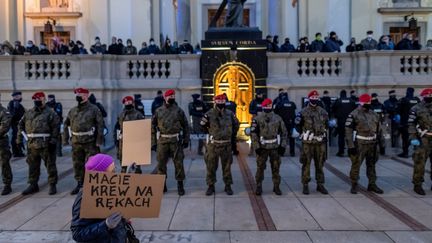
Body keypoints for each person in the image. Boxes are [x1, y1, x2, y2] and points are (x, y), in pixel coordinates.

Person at [71, 153, 127, 242]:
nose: (115, 174)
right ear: (100, 175)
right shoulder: (84, 198)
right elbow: (77, 233)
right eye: (112, 171)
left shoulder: (110, 189)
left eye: (115, 170)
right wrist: (106, 225)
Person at [64, 87, 104, 195]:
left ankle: (94, 185)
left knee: (93, 164)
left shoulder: (94, 109)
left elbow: (100, 124)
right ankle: (80, 183)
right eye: (77, 94)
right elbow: (66, 123)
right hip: (76, 142)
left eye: (79, 94)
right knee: (77, 164)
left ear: (86, 95)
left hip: (90, 142)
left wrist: (99, 139)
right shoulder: (73, 110)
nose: (77, 96)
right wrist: (65, 139)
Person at [18, 92, 60, 195]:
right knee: (32, 166)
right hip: (32, 145)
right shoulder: (28, 113)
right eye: (35, 99)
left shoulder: (50, 112)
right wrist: (19, 139)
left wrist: (53, 141)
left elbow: (56, 127)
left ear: (44, 99)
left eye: (39, 99)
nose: (37, 101)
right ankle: (33, 184)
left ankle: (52, 184)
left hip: (46, 144)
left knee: (50, 165)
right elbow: (20, 125)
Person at [151, 89, 189, 195]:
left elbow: (186, 125)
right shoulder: (158, 111)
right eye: (169, 96)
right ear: (165, 97)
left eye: (173, 96)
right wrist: (153, 142)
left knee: (179, 163)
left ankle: (180, 185)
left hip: (175, 141)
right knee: (161, 164)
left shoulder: (179, 111)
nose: (171, 98)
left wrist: (186, 139)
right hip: (162, 141)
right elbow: (152, 127)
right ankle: (163, 185)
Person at [201, 94, 239, 196]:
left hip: (226, 145)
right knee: (211, 166)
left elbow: (236, 125)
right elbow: (203, 125)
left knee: (227, 167)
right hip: (213, 145)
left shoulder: (230, 114)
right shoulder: (209, 114)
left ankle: (228, 186)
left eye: (223, 101)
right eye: (219, 101)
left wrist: (231, 135)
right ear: (215, 102)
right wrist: (211, 133)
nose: (221, 103)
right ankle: (210, 186)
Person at [345, 93, 384, 194]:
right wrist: (350, 146)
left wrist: (382, 142)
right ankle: (354, 184)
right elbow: (348, 130)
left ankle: (372, 184)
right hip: (360, 144)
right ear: (361, 102)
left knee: (371, 165)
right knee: (356, 165)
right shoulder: (354, 114)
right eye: (366, 102)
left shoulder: (374, 114)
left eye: (369, 102)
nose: (368, 104)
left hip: (372, 143)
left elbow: (379, 129)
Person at [295, 90, 329, 195]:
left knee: (320, 164)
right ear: (309, 99)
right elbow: (297, 125)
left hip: (320, 142)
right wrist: (304, 134)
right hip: (308, 143)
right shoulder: (303, 112)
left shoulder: (323, 112)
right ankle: (305, 185)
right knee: (306, 163)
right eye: (312, 98)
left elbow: (326, 125)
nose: (314, 100)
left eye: (316, 98)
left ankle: (320, 184)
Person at [251, 98, 287, 195]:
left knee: (276, 168)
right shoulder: (257, 119)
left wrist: (283, 146)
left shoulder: (278, 118)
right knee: (260, 168)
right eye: (266, 106)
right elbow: (254, 134)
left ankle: (276, 186)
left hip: (275, 147)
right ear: (263, 107)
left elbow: (284, 132)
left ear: (272, 106)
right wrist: (256, 146)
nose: (268, 108)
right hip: (262, 148)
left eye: (269, 106)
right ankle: (258, 186)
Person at [408, 88, 432, 195]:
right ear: (423, 96)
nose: (430, 97)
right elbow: (411, 124)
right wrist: (413, 138)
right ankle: (417, 184)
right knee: (420, 162)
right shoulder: (416, 108)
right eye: (428, 95)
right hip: (423, 138)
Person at [114, 96, 145, 173]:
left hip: (135, 141)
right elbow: (117, 128)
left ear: (133, 103)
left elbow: (143, 127)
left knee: (137, 163)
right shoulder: (121, 115)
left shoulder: (138, 114)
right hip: (124, 142)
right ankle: (125, 180)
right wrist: (116, 140)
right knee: (124, 163)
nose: (128, 103)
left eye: (130, 102)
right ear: (124, 103)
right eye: (126, 102)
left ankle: (137, 179)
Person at [397, 87, 420, 158]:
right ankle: (417, 151)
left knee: (405, 138)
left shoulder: (403, 100)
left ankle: (405, 153)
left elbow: (398, 111)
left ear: (407, 92)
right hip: (416, 122)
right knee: (415, 137)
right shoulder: (417, 100)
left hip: (406, 123)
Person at [332, 90, 356, 157]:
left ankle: (341, 152)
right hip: (350, 121)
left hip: (341, 122)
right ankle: (350, 151)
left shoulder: (338, 101)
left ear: (340, 94)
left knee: (341, 137)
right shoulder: (351, 101)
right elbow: (355, 110)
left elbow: (333, 109)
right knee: (349, 137)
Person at [273, 92, 297, 157]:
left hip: (282, 124)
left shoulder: (279, 104)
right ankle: (292, 153)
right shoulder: (292, 103)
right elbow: (294, 112)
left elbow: (275, 111)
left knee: (283, 138)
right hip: (291, 123)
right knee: (292, 138)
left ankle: (282, 152)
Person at [8, 91, 25, 157]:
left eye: (20, 96)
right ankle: (16, 152)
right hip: (15, 124)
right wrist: (15, 108)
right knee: (16, 137)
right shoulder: (13, 103)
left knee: (18, 137)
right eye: (18, 96)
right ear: (15, 97)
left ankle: (18, 151)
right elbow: (12, 115)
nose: (20, 97)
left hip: (19, 124)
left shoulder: (18, 104)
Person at [0, 101, 12, 195]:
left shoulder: (4, 112)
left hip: (1, 143)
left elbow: (4, 127)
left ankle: (7, 185)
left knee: (4, 164)